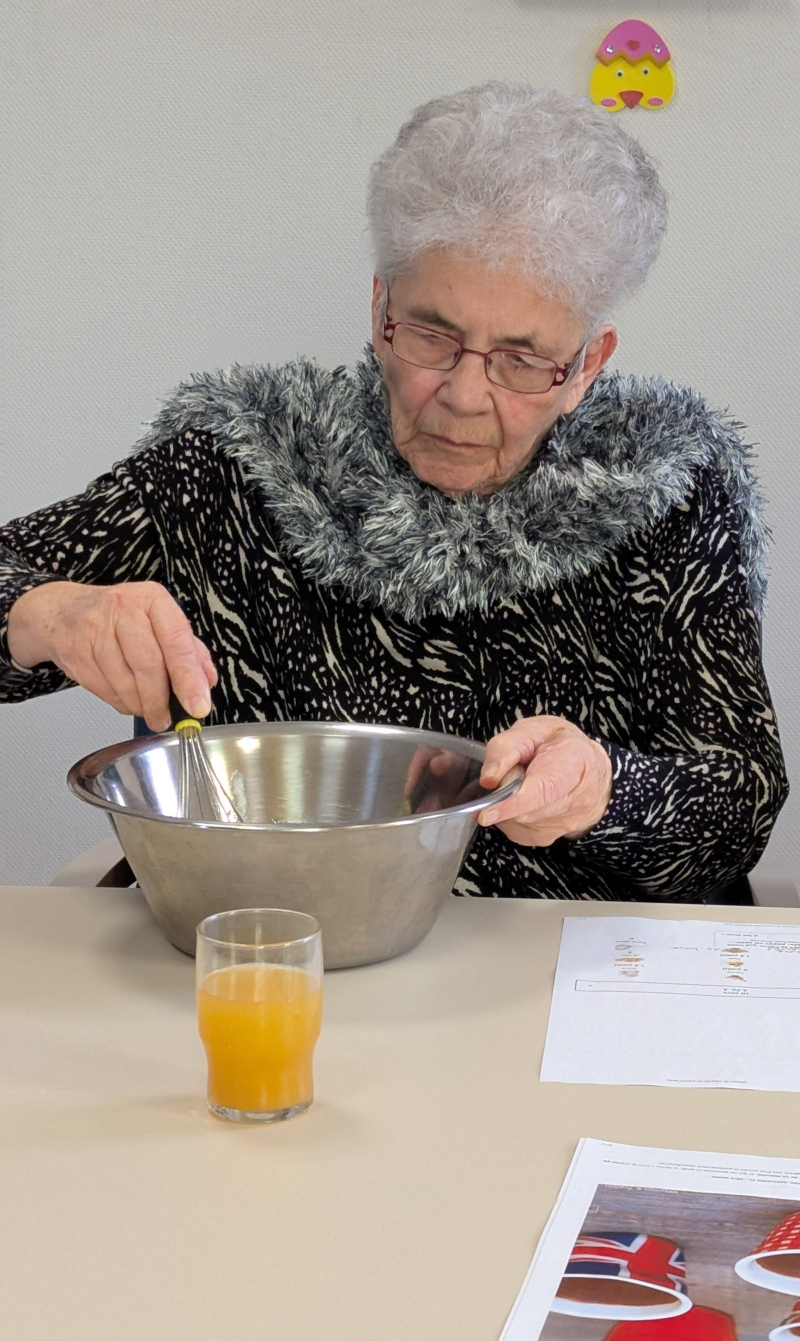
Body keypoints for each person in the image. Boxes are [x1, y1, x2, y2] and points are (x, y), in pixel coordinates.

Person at [0, 81, 788, 902]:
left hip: (577, 973)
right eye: (432, 336)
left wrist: (604, 788)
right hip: (284, 952)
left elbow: (739, 800)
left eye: (522, 360)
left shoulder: (660, 491)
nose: (465, 395)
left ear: (587, 366)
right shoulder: (236, 466)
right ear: (381, 308)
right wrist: (47, 614)